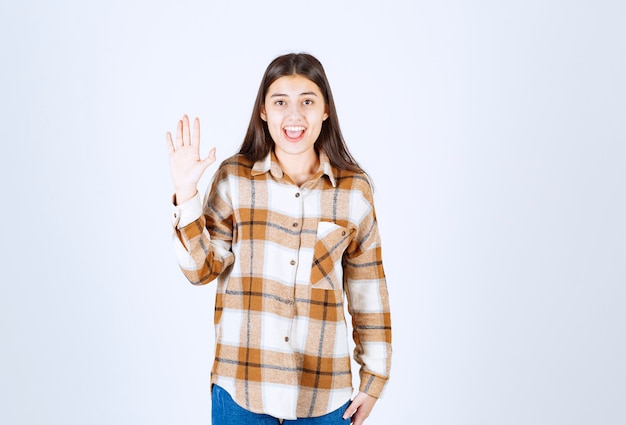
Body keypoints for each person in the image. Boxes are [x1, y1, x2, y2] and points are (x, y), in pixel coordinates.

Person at [166, 53, 391, 425]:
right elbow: (201, 271)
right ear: (264, 112)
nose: (294, 114)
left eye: (307, 100)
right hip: (241, 390)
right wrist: (186, 192)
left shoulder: (354, 191)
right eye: (280, 102)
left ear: (325, 111)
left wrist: (374, 378)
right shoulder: (234, 180)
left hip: (324, 397)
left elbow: (368, 289)